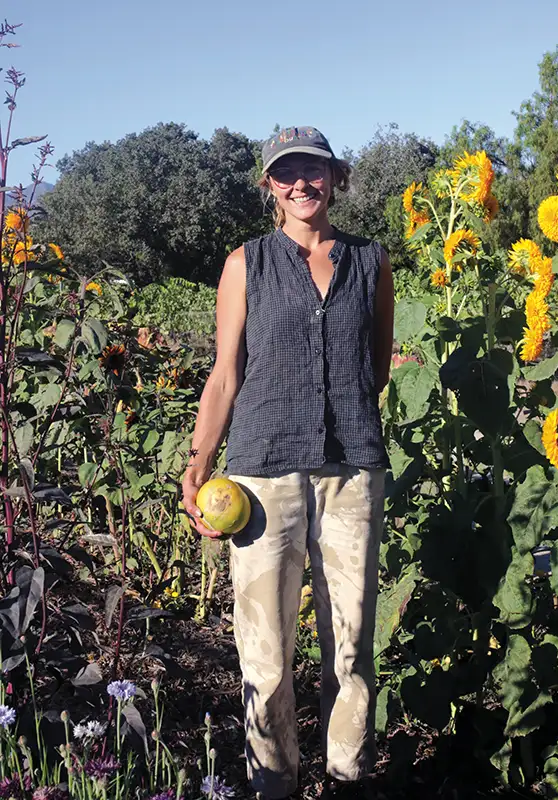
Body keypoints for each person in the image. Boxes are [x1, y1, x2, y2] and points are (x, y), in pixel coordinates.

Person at [182, 126, 394, 800]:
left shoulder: (371, 260)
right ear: (270, 186)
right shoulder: (245, 263)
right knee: (266, 655)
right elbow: (225, 374)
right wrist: (197, 464)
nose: (301, 183)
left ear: (335, 178)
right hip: (262, 474)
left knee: (351, 648)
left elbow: (376, 367)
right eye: (285, 173)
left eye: (314, 170)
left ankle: (348, 779)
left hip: (351, 471)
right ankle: (273, 784)